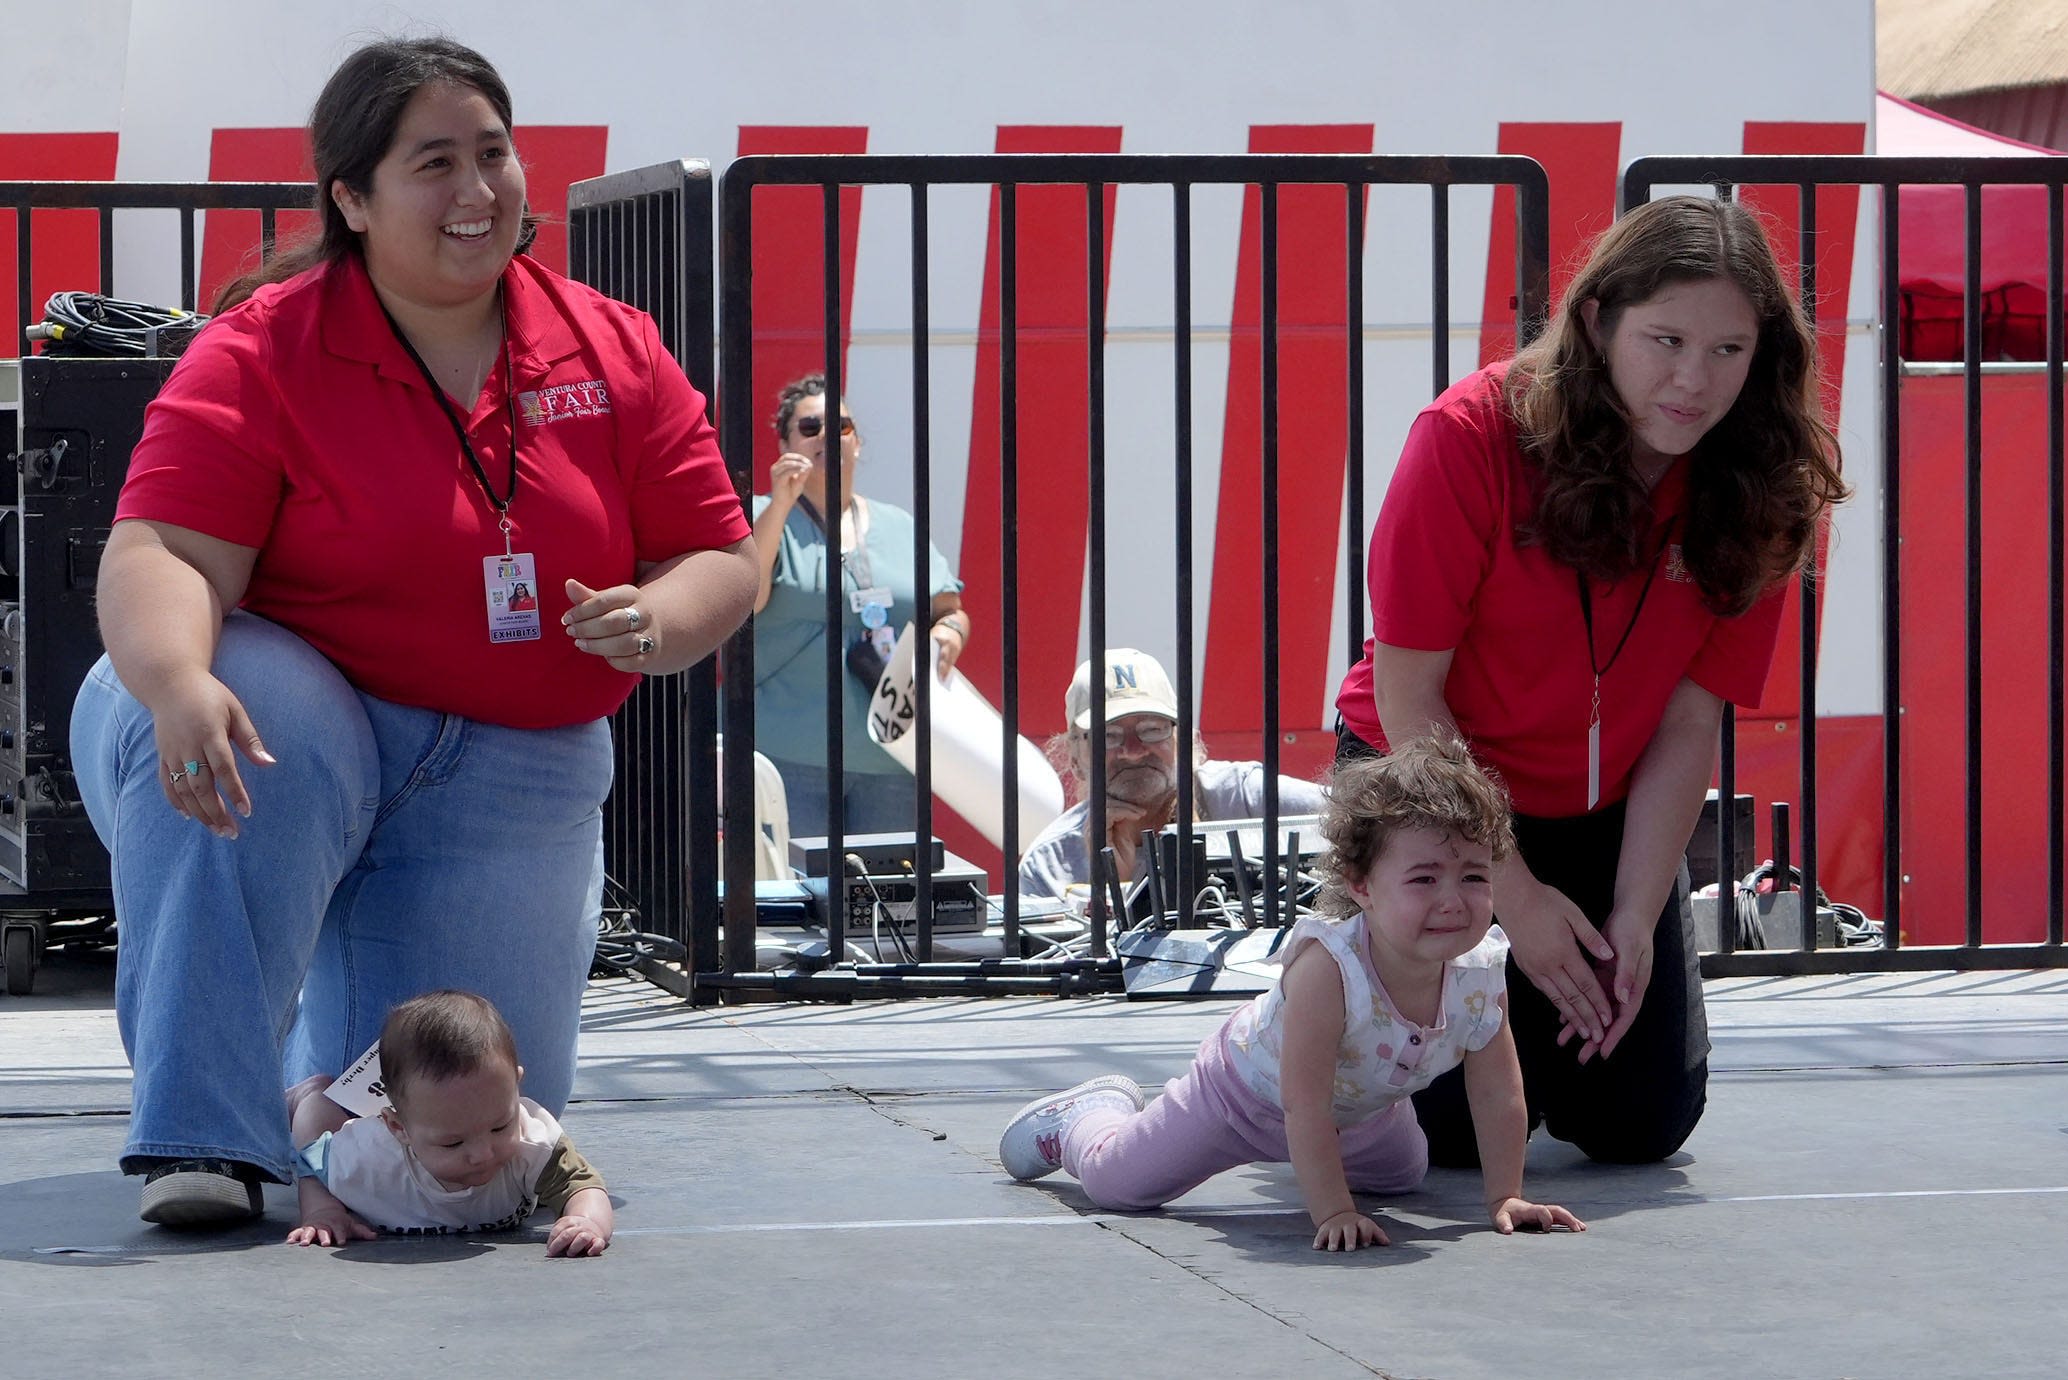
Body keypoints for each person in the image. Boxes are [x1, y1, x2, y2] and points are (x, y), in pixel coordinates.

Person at [69, 38, 756, 1229]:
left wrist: (662, 616)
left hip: (511, 768)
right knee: (245, 702)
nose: (478, 191)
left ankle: (303, 1107)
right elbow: (162, 554)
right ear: (350, 196)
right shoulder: (261, 348)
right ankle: (206, 1137)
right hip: (300, 727)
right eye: (433, 162)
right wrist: (177, 680)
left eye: (493, 153)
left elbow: (724, 556)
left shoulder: (613, 344)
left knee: (463, 1156)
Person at [1330, 195, 1847, 1167]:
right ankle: (1329, 976)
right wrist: (1511, 899)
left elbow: (1693, 716)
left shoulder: (1768, 480)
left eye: (1729, 351)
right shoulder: (1468, 435)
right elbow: (1410, 696)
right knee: (1446, 1139)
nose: (1694, 381)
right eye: (1666, 339)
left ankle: (1497, 1006)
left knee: (1639, 1126)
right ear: (1600, 319)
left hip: (1604, 805)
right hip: (1434, 788)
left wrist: (1639, 916)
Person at [997, 736, 1587, 1249]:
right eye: (1424, 878)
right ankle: (1084, 1119)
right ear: (1361, 887)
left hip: (1360, 1115)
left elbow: (1498, 1092)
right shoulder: (1329, 969)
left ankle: (1322, 1162)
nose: (1453, 899)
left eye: (1475, 877)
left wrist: (1505, 1197)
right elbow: (1303, 1103)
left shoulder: (1480, 972)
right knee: (1117, 1185)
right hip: (1241, 1098)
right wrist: (1332, 1210)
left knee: (1407, 1173)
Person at [747, 372, 971, 839]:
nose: (828, 435)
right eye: (810, 428)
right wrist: (782, 504)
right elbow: (749, 600)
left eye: (841, 426)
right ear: (786, 444)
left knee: (886, 904)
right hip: (791, 758)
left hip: (892, 760)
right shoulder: (764, 516)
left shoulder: (898, 524)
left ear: (858, 443)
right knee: (797, 901)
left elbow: (950, 609)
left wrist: (950, 634)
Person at [285, 990, 613, 1254]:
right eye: (453, 1142)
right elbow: (312, 1165)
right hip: (356, 1136)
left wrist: (586, 1221)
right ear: (399, 1128)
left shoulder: (534, 1144)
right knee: (316, 1126)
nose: (483, 1153)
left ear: (516, 1087)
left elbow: (583, 1185)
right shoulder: (367, 1158)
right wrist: (322, 1211)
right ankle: (309, 1093)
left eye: (500, 1126)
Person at [1014, 647, 1322, 906]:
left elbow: (1359, 822)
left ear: (1183, 740)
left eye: (1151, 730)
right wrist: (1114, 892)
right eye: (1109, 735)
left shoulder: (1246, 798)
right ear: (1075, 758)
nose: (1133, 750)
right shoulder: (1048, 867)